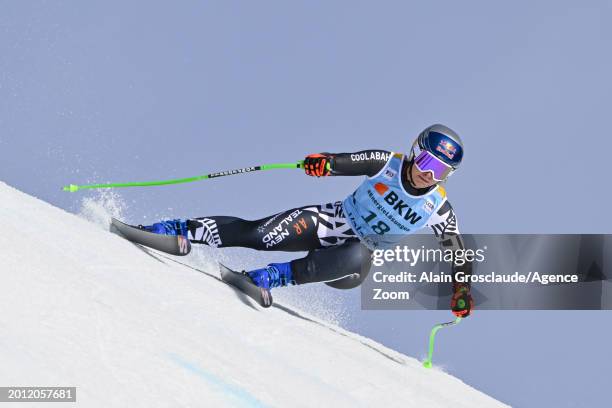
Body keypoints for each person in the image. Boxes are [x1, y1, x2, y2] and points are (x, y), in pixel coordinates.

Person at [141, 124, 474, 317]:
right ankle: (175, 230)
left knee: (358, 253)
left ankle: (268, 277)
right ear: (416, 151)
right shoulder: (386, 162)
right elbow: (343, 161)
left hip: (351, 263)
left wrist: (461, 289)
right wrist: (323, 164)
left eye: (441, 171)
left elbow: (458, 253)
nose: (428, 174)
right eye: (427, 161)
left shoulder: (437, 207)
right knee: (258, 234)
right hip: (329, 220)